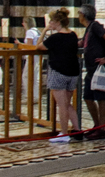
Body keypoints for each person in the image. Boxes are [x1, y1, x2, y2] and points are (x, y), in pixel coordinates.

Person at [22, 8, 83, 143]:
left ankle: (64, 134)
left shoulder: (55, 38)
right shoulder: (73, 34)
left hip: (59, 71)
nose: (50, 23)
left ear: (56, 22)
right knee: (67, 104)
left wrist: (44, 30)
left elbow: (38, 46)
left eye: (51, 21)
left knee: (61, 105)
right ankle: (77, 130)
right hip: (73, 72)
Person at [78, 4, 105, 140]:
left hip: (100, 69)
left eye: (79, 14)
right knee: (88, 97)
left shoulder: (95, 26)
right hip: (91, 69)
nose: (78, 16)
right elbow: (84, 43)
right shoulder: (89, 29)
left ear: (83, 15)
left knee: (101, 98)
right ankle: (97, 125)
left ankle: (102, 129)